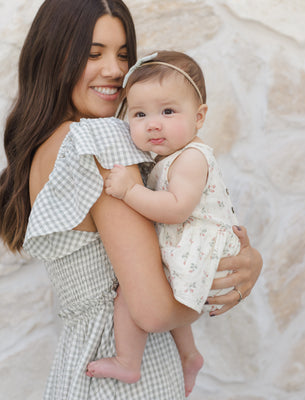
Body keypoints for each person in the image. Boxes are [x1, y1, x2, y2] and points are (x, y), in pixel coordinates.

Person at [0, 0, 263, 399]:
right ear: (53, 56)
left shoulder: (50, 145)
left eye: (124, 54)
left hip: (81, 366)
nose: (116, 70)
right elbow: (154, 310)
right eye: (94, 54)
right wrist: (232, 284)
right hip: (125, 381)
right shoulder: (96, 142)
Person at [86, 50, 242, 396]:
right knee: (166, 282)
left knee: (130, 291)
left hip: (199, 253)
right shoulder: (172, 156)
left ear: (199, 116)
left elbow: (175, 209)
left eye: (168, 111)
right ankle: (189, 355)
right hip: (192, 252)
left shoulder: (190, 158)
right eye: (139, 114)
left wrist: (129, 192)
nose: (152, 123)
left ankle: (129, 361)